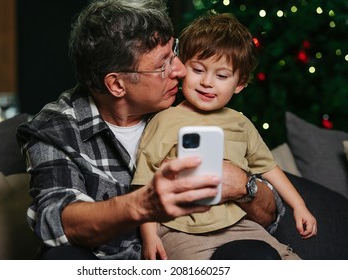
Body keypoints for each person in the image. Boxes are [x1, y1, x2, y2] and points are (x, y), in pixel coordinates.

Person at [17, 0, 282, 260]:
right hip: (108, 263)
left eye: (174, 52)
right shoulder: (54, 128)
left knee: (255, 255)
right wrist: (141, 205)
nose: (180, 70)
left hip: (196, 257)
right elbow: (55, 220)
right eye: (163, 64)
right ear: (117, 85)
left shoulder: (193, 104)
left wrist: (243, 185)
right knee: (62, 259)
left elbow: (272, 214)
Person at [132, 12, 317, 260]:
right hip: (181, 231)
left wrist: (299, 206)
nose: (207, 82)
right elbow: (145, 183)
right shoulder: (164, 120)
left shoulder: (240, 123)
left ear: (239, 84)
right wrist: (150, 235)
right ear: (181, 67)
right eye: (198, 69)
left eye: (221, 76)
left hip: (239, 225)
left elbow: (269, 167)